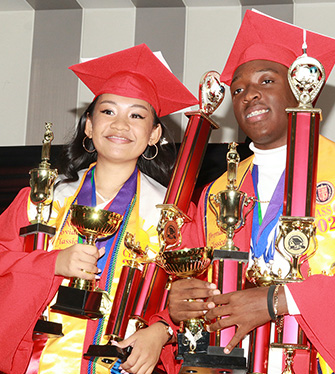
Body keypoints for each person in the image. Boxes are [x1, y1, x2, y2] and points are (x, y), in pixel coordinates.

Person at [136, 10, 335, 374]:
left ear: (301, 88)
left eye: (266, 80)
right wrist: (179, 308)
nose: (249, 94)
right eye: (237, 90)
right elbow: (201, 286)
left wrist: (279, 301)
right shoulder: (214, 195)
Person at [0, 43, 197, 374]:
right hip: (38, 362)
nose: (120, 125)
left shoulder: (173, 213)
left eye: (137, 115)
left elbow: (191, 294)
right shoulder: (42, 200)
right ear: (89, 127)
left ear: (154, 134)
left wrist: (161, 333)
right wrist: (52, 263)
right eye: (108, 112)